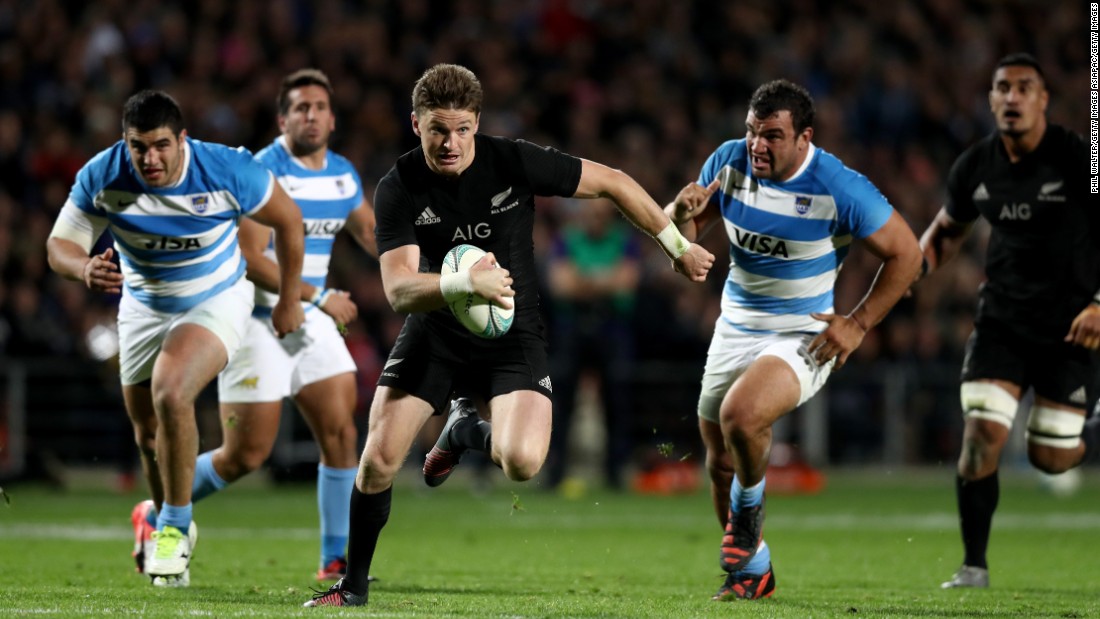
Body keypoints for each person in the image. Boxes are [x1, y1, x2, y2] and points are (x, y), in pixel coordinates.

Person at [303, 63, 714, 607]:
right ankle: (352, 588)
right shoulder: (399, 186)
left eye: (461, 130)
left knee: (522, 462)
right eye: (437, 130)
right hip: (435, 332)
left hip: (512, 334)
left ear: (477, 124)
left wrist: (678, 249)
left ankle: (462, 432)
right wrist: (463, 282)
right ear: (415, 124)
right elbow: (400, 291)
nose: (450, 143)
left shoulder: (512, 161)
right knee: (378, 459)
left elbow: (613, 183)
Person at [668, 79, 922, 601]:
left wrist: (857, 322)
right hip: (736, 324)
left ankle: (750, 508)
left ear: (804, 137)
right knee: (717, 461)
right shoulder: (728, 161)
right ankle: (753, 572)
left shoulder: (838, 186)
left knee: (743, 414)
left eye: (773, 136)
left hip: (805, 331)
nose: (757, 145)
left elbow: (908, 254)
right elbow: (686, 252)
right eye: (752, 131)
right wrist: (678, 218)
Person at [46, 90, 305, 587]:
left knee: (171, 388)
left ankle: (173, 527)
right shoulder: (105, 174)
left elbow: (289, 220)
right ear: (125, 142)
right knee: (147, 435)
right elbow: (59, 245)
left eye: (161, 145)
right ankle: (161, 519)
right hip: (142, 308)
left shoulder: (225, 169)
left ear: (181, 139)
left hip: (217, 297)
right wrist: (82, 267)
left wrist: (289, 299)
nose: (150, 158)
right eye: (139, 146)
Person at [128, 69, 378, 582]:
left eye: (319, 107)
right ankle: (155, 512)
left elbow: (374, 235)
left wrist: (435, 265)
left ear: (332, 119)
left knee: (341, 431)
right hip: (257, 319)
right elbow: (249, 256)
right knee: (246, 455)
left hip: (312, 320)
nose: (311, 115)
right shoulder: (263, 171)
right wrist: (318, 294)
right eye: (300, 108)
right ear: (283, 118)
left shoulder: (344, 175)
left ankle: (334, 560)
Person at [913, 53, 1100, 590]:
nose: (1012, 97)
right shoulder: (975, 166)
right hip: (1003, 321)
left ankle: (1088, 420)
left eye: (1024, 88)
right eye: (1002, 88)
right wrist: (911, 270)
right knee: (982, 435)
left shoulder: (1078, 160)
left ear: (1044, 100)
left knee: (1050, 458)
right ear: (991, 99)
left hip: (1075, 327)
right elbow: (947, 232)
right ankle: (974, 566)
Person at [544, 199, 641, 491]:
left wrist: (582, 280)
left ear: (609, 215)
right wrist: (606, 279)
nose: (595, 218)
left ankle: (615, 473)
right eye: (590, 213)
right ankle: (555, 472)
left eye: (600, 213)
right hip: (573, 329)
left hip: (612, 329)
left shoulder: (624, 241)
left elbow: (628, 283)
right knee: (562, 403)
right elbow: (560, 285)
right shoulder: (566, 240)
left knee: (616, 403)